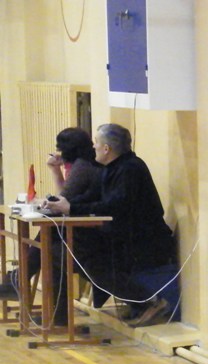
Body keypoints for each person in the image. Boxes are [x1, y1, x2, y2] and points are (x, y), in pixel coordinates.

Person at [43, 123, 175, 327]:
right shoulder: (111, 168)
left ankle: (149, 302)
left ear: (106, 148)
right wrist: (63, 204)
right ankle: (59, 317)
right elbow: (90, 197)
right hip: (121, 237)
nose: (93, 147)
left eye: (96, 142)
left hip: (143, 242)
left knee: (83, 254)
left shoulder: (130, 169)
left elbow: (114, 206)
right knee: (56, 249)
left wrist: (72, 208)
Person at [0, 128, 101, 324]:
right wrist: (55, 170)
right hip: (80, 229)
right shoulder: (81, 164)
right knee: (48, 239)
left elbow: (63, 198)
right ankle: (21, 283)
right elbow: (65, 197)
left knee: (48, 246)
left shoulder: (82, 167)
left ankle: (17, 280)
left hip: (88, 236)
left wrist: (45, 202)